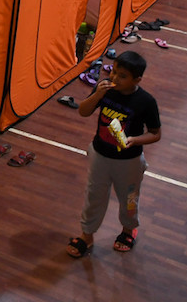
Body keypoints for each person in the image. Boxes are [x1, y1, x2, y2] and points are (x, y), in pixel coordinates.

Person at [66, 50, 161, 258]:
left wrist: (134, 140)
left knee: (129, 198)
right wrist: (98, 94)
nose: (115, 78)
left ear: (137, 79)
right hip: (100, 156)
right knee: (94, 195)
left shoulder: (146, 101)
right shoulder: (105, 89)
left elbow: (155, 134)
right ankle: (87, 235)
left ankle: (128, 230)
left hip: (129, 162)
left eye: (122, 76)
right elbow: (83, 111)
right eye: (114, 72)